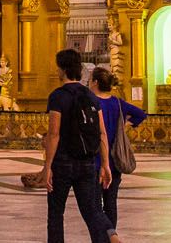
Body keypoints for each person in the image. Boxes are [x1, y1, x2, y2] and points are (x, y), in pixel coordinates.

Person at [41, 48, 111, 243]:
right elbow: (102, 132)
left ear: (62, 69)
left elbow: (54, 134)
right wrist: (105, 164)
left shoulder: (58, 96)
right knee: (92, 212)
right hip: (87, 162)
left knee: (56, 213)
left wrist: (47, 166)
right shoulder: (90, 96)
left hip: (62, 162)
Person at [89, 67, 145, 241]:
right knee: (110, 202)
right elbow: (140, 114)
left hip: (96, 161)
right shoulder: (118, 103)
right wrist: (126, 125)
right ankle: (111, 235)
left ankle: (107, 236)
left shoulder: (91, 102)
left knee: (95, 204)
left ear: (96, 82)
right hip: (115, 160)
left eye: (91, 79)